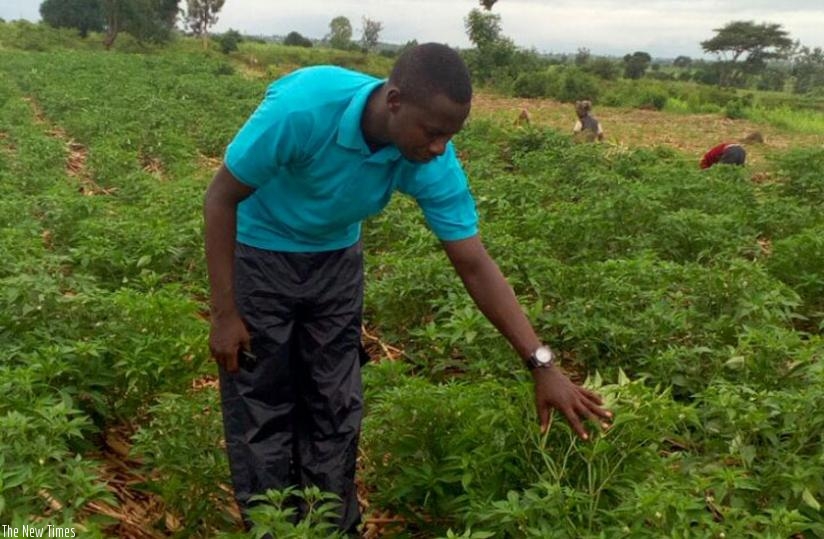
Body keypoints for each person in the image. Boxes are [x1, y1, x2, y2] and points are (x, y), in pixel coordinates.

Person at [203, 43, 613, 535]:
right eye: (434, 132)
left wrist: (540, 363)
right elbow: (220, 198)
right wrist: (226, 314)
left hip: (336, 263)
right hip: (259, 253)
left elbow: (474, 261)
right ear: (394, 100)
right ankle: (273, 529)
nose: (440, 147)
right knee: (263, 404)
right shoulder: (304, 108)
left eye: (450, 136)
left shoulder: (427, 156)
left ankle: (332, 528)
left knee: (334, 405)